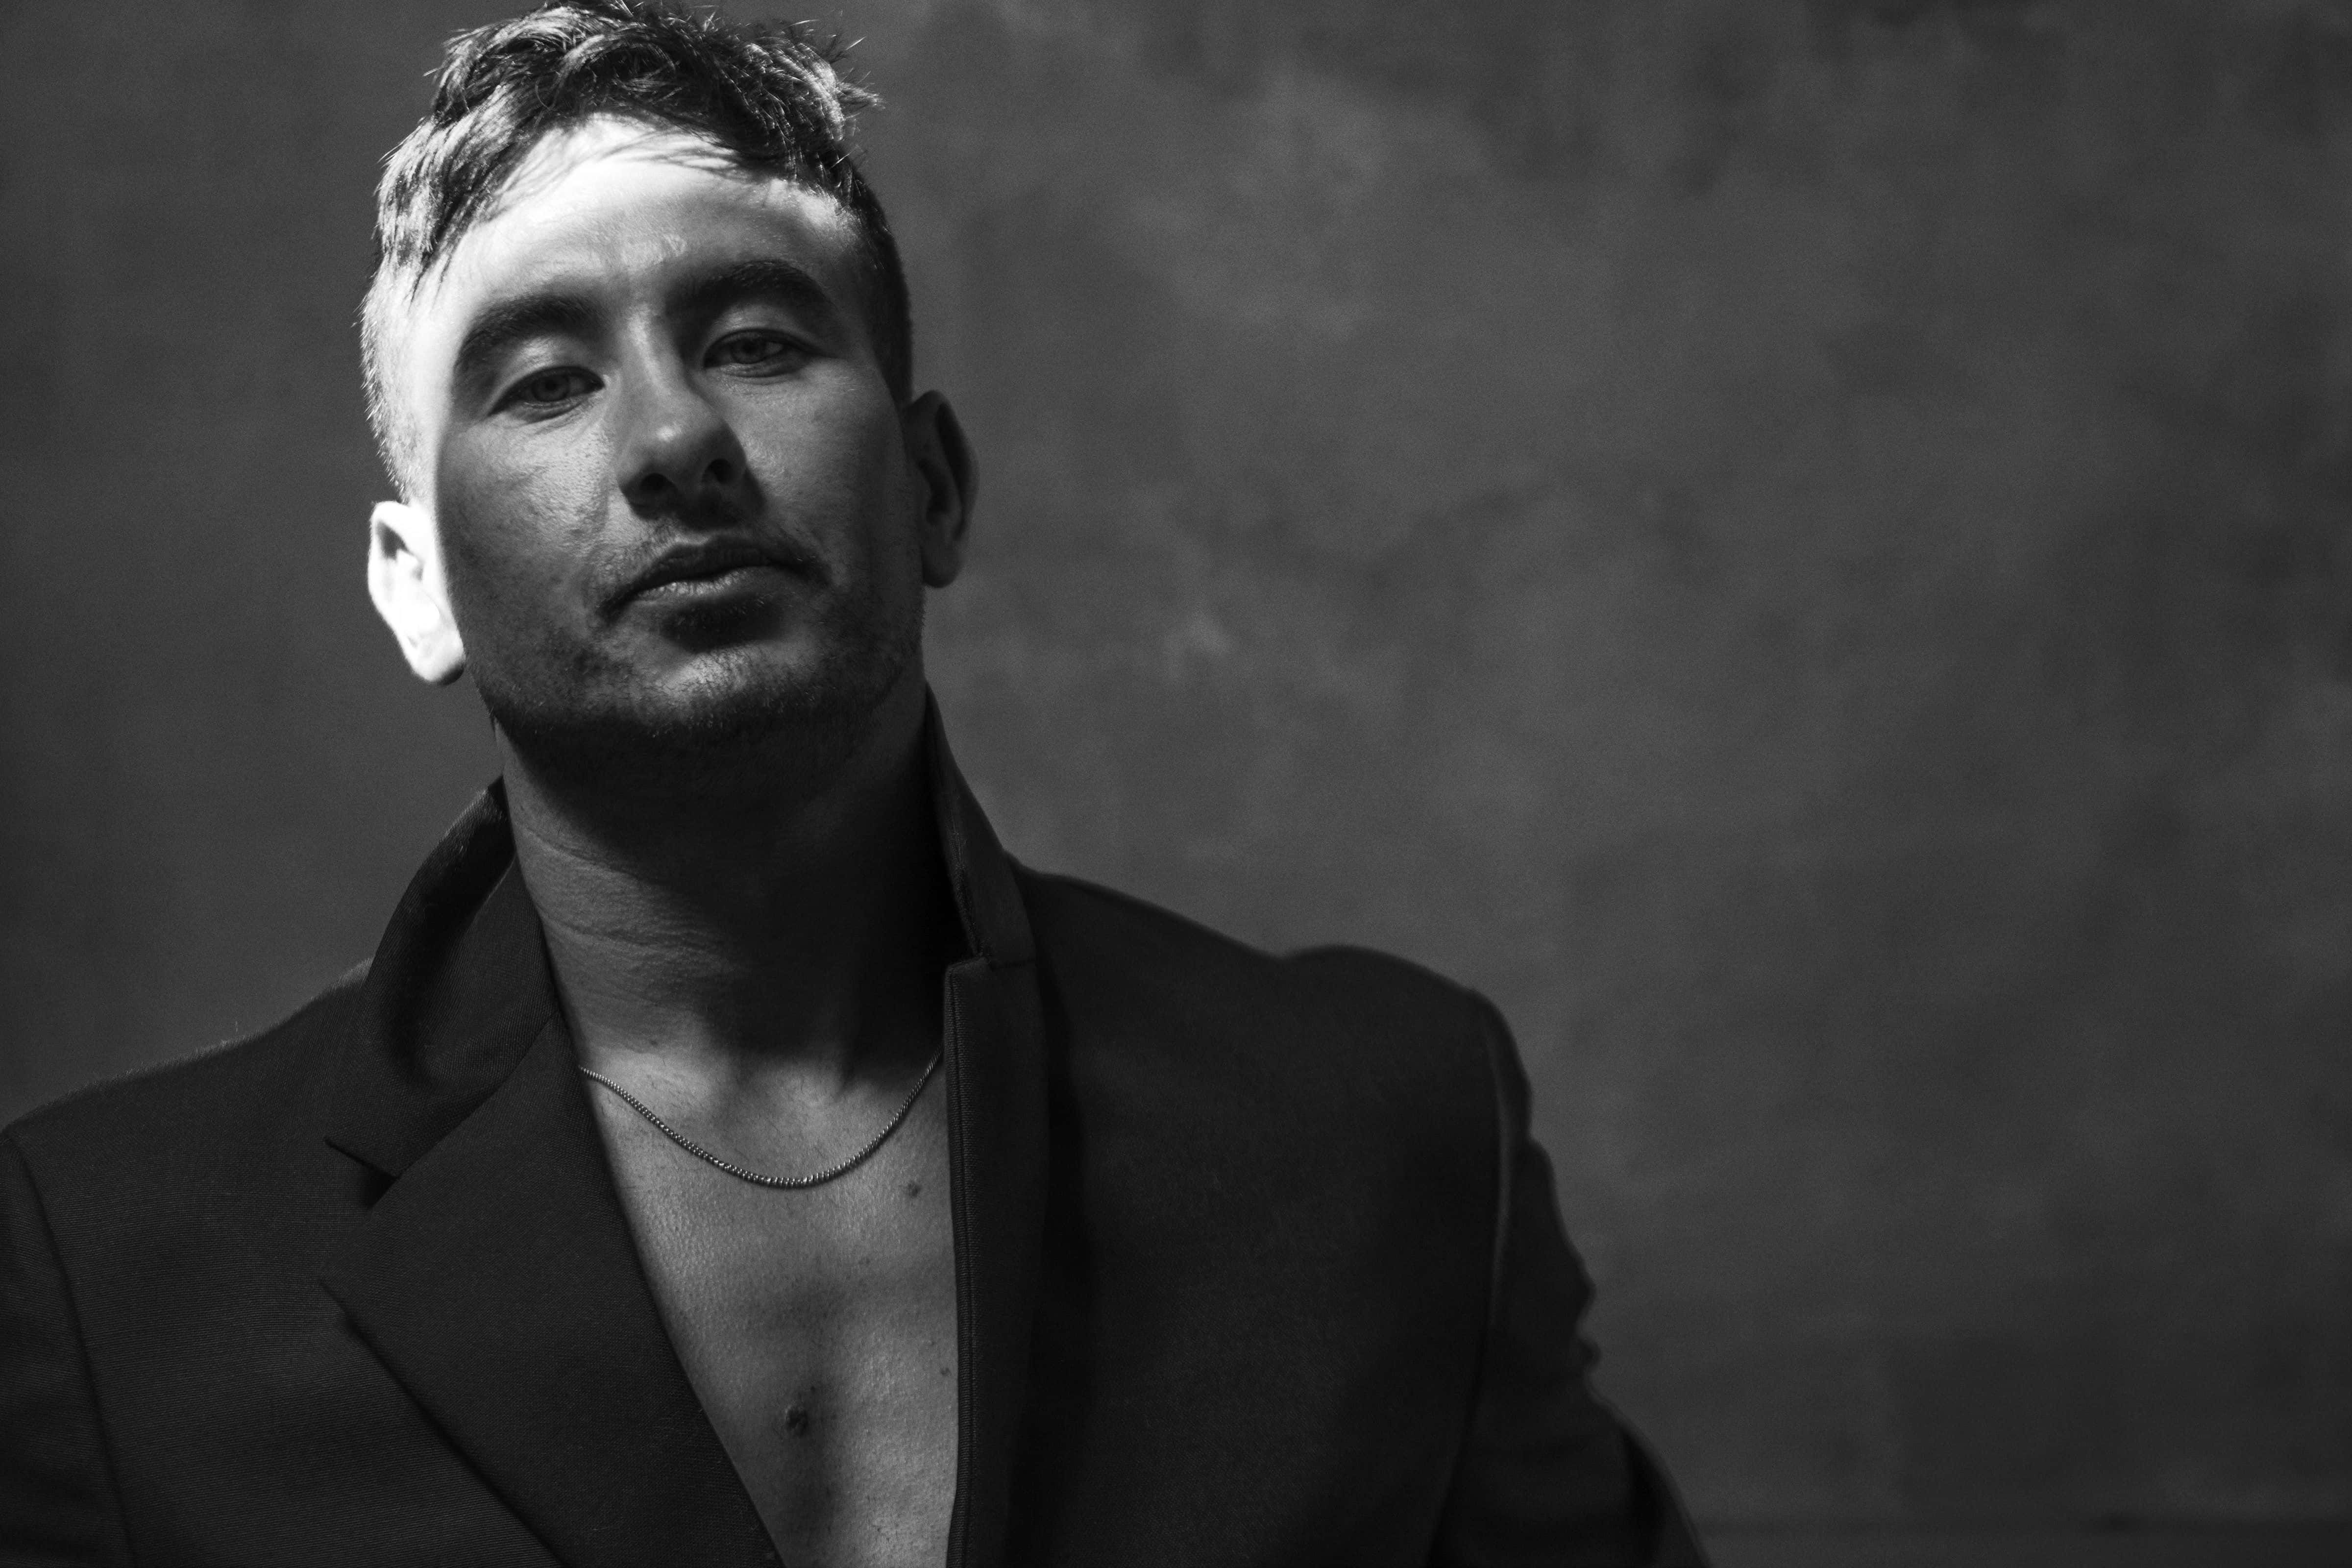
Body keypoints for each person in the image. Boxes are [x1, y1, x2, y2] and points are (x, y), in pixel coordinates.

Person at [0, 4, 1704, 1563]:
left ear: (935, 485)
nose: (675, 442)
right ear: (418, 584)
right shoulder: (98, 1273)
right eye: (546, 383)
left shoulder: (1389, 1132)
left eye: (754, 343)